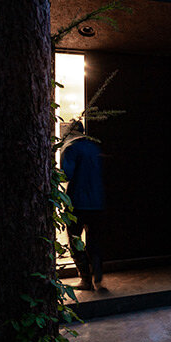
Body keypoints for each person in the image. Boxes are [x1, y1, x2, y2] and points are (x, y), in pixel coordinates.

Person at [61, 120, 106, 291]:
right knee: (95, 242)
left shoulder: (71, 148)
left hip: (77, 203)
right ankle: (99, 278)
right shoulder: (95, 147)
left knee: (75, 240)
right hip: (98, 202)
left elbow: (66, 175)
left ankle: (85, 280)